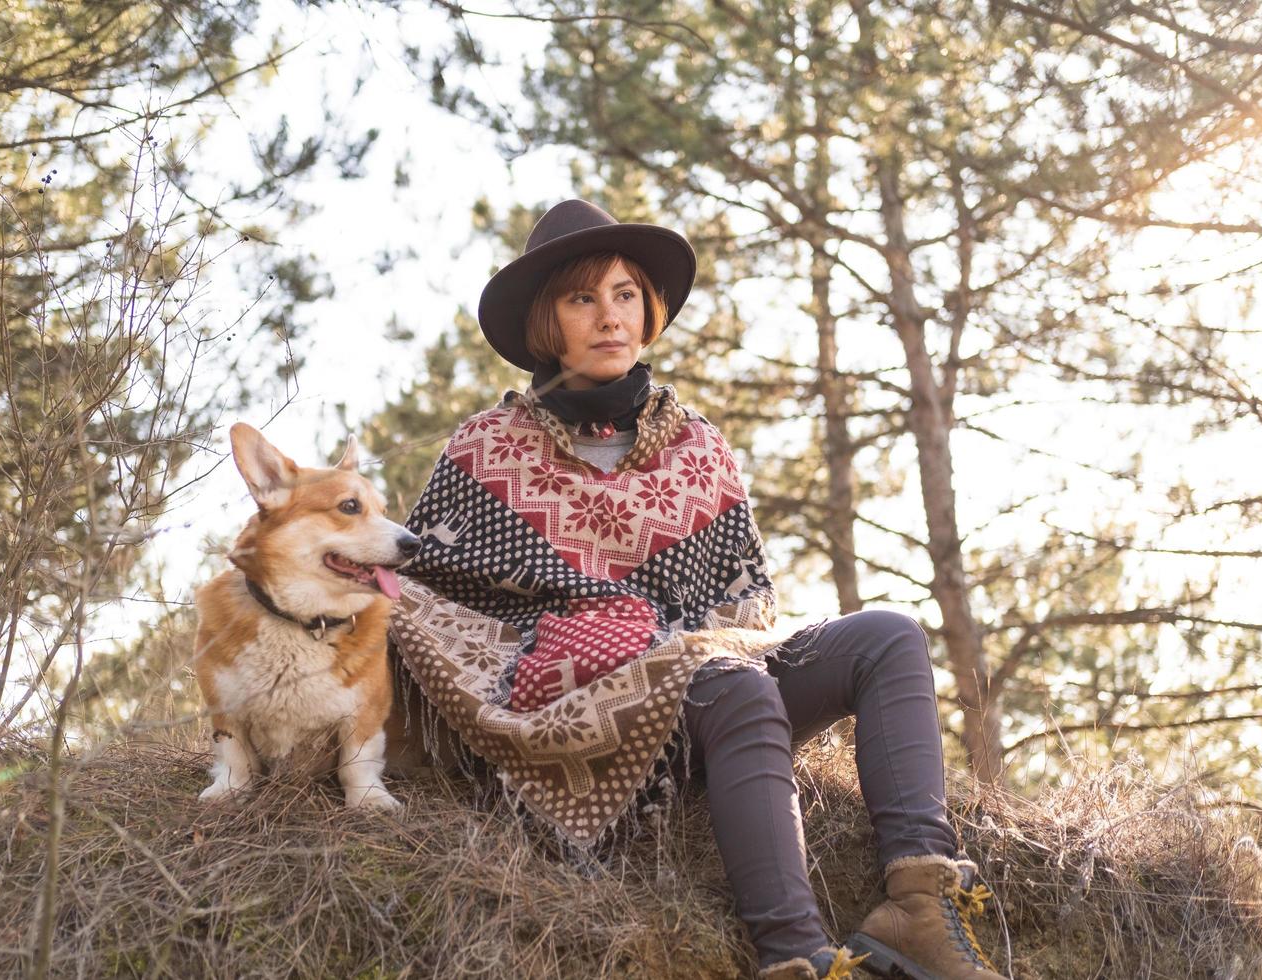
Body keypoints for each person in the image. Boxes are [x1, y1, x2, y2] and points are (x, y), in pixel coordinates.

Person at [389, 199, 1009, 980]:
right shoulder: (487, 449)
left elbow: (746, 605)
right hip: (578, 710)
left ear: (647, 310)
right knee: (730, 680)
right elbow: (429, 607)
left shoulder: (696, 444)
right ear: (547, 322)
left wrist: (689, 649)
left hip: (711, 690)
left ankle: (919, 902)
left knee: (886, 634)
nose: (609, 316)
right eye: (583, 298)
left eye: (624, 295)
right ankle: (795, 955)